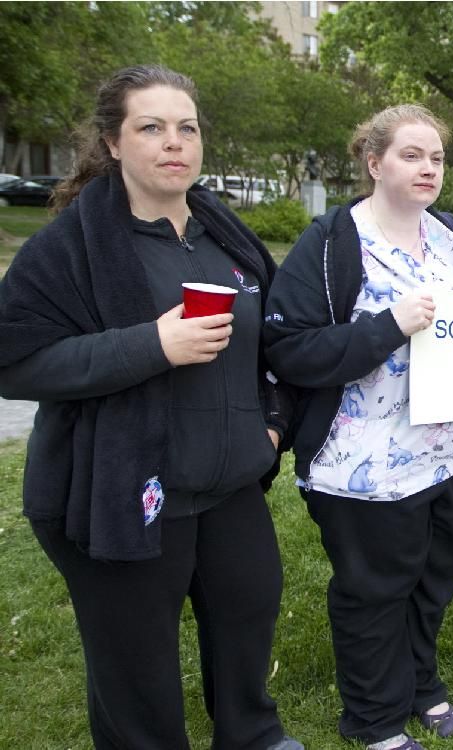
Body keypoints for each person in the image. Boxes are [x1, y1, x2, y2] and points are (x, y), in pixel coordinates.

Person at [0, 65, 300, 750]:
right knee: (135, 669)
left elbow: (279, 340)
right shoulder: (70, 247)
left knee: (247, 619)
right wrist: (152, 344)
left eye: (187, 128)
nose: (175, 143)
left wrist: (275, 427)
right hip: (121, 490)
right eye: (151, 127)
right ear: (113, 142)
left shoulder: (226, 235)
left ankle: (251, 736)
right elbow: (13, 362)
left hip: (228, 488)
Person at [263, 104, 453, 750]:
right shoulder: (334, 243)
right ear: (374, 163)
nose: (428, 168)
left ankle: (419, 681)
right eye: (411, 155)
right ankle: (373, 721)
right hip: (366, 464)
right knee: (375, 592)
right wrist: (387, 325)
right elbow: (290, 349)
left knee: (435, 579)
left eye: (437, 158)